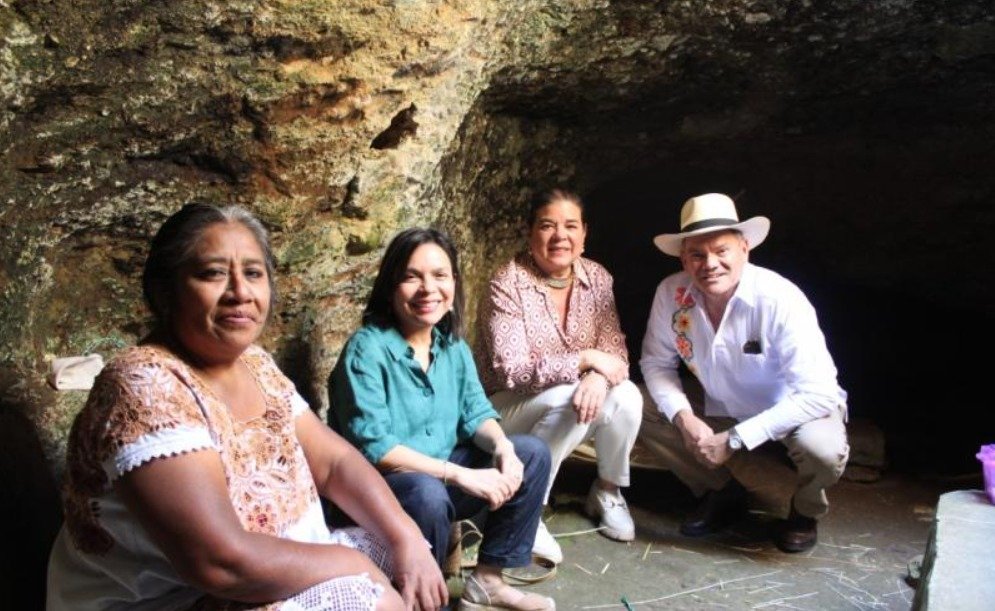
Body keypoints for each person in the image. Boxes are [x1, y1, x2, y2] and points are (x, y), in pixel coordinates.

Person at [46, 203, 446, 611]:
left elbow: (334, 461)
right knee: (374, 600)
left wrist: (405, 538)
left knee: (408, 544)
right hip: (177, 598)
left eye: (253, 273)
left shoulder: (254, 362)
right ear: (165, 290)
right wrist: (354, 567)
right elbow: (219, 563)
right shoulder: (145, 384)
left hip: (247, 572)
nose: (240, 292)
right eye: (213, 273)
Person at [328, 228, 556, 611]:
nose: (427, 289)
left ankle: (487, 583)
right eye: (411, 276)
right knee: (426, 492)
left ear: (454, 283)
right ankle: (423, 601)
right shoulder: (366, 350)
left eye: (439, 275)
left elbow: (476, 413)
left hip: (439, 481)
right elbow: (376, 448)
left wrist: (502, 448)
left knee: (530, 453)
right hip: (381, 491)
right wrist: (459, 474)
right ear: (390, 286)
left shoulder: (452, 348)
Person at [639, 192, 849, 553]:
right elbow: (656, 363)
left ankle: (803, 511)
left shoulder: (779, 298)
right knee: (633, 403)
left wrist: (736, 438)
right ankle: (722, 489)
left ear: (744, 249)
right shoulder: (671, 292)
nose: (710, 264)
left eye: (722, 251)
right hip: (719, 402)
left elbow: (819, 393)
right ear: (684, 259)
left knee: (823, 449)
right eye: (697, 254)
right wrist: (685, 417)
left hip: (790, 409)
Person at [475, 189, 643, 565]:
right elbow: (511, 370)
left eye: (570, 226)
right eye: (547, 226)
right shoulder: (507, 282)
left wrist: (597, 376)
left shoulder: (597, 277)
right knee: (569, 396)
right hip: (503, 408)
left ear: (584, 234)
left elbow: (615, 352)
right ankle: (526, 509)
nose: (559, 237)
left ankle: (607, 490)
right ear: (529, 232)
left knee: (628, 395)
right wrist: (584, 359)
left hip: (567, 397)